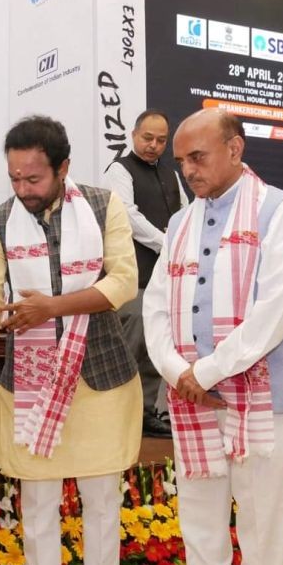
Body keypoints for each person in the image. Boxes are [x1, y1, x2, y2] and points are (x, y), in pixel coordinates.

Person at [0, 115, 142, 565]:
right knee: (37, 502)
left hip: (101, 374)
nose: (23, 188)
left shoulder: (104, 205)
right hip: (31, 382)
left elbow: (124, 281)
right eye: (15, 177)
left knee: (101, 501)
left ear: (63, 167)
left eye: (33, 178)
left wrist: (53, 308)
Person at [143, 108, 283, 565]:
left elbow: (275, 313)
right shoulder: (180, 223)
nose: (188, 170)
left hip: (264, 401)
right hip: (191, 396)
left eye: (198, 157)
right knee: (199, 526)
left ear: (235, 149)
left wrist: (206, 371)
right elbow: (155, 307)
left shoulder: (280, 212)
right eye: (182, 162)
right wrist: (178, 371)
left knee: (264, 530)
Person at [104, 109, 188, 438]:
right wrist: (166, 242)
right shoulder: (119, 170)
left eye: (161, 140)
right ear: (134, 135)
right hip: (134, 275)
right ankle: (118, 415)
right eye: (147, 138)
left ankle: (146, 412)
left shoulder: (171, 173)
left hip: (167, 276)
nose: (154, 145)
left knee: (157, 345)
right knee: (132, 346)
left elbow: (184, 211)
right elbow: (127, 215)